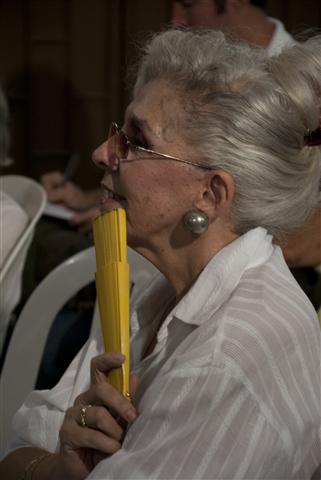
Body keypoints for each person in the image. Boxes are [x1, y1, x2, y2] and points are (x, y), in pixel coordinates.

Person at [1, 29, 320, 479]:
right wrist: (57, 468)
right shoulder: (158, 293)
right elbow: (19, 447)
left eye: (134, 140)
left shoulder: (228, 356)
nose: (100, 153)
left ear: (210, 195)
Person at [170, 0, 321, 309]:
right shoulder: (203, 81)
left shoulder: (308, 90)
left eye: (188, 4)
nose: (176, 21)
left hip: (277, 283)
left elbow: (309, 240)